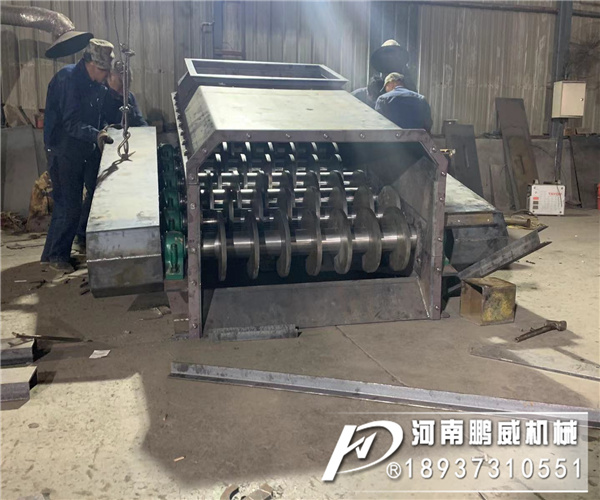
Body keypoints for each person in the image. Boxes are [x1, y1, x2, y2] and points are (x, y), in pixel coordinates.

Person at [41, 39, 115, 273]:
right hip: (63, 150)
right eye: (103, 70)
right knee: (68, 205)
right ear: (89, 63)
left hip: (83, 149)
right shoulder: (68, 79)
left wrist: (106, 128)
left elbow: (98, 116)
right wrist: (96, 135)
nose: (106, 76)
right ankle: (57, 256)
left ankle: (50, 254)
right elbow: (70, 123)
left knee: (77, 200)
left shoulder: (96, 85)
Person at [71, 61, 149, 252]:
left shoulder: (128, 97)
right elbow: (96, 122)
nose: (123, 89)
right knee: (95, 192)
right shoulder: (100, 95)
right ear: (110, 77)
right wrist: (107, 132)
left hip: (122, 152)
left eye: (127, 84)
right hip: (99, 151)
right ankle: (83, 236)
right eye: (120, 83)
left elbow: (138, 120)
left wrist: (147, 136)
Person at [102, 60, 147, 127]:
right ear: (110, 77)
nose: (125, 87)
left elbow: (139, 120)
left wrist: (146, 130)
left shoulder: (130, 97)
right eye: (121, 82)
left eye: (128, 82)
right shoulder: (102, 97)